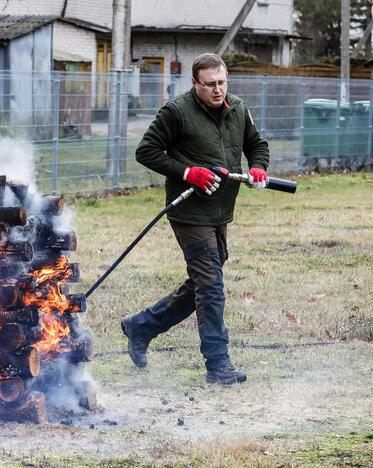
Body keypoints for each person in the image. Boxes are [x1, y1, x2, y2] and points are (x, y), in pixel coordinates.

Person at [121, 52, 270, 385]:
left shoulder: (238, 109)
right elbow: (146, 151)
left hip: (220, 210)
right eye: (210, 85)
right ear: (195, 84)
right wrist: (189, 172)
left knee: (207, 279)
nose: (218, 90)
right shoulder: (176, 112)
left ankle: (141, 326)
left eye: (222, 82)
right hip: (188, 209)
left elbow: (257, 144)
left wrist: (259, 166)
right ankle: (218, 365)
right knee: (212, 285)